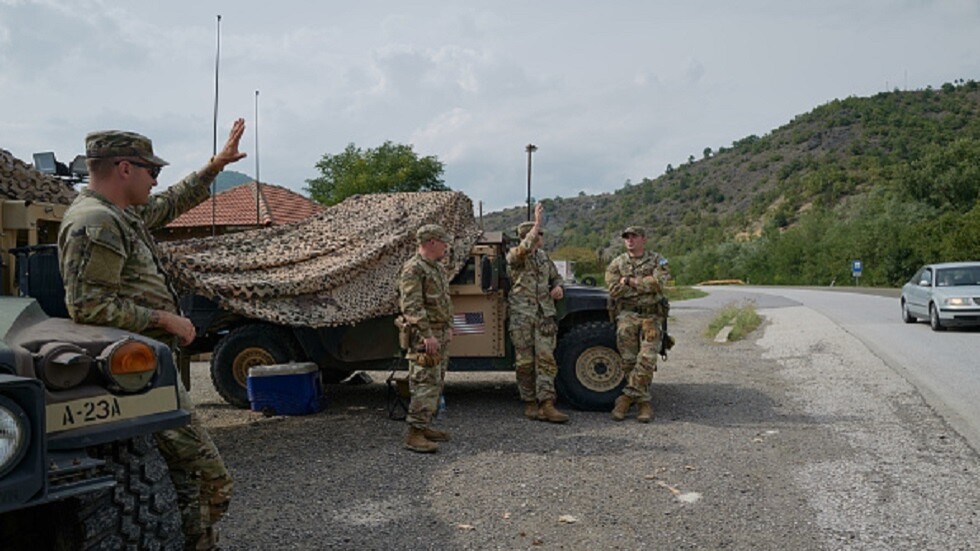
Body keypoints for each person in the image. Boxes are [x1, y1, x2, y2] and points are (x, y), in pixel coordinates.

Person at [58, 119, 247, 550]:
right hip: (133, 374)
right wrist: (165, 320)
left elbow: (168, 205)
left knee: (182, 475)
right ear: (124, 168)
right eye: (150, 170)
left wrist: (215, 166)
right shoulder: (96, 222)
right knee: (208, 476)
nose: (156, 179)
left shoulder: (121, 215)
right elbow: (87, 307)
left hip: (148, 371)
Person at [506, 202, 568, 423]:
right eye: (537, 234)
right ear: (527, 236)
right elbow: (519, 253)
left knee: (546, 359)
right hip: (522, 316)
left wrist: (558, 286)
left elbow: (556, 276)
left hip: (544, 316)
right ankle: (530, 401)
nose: (540, 237)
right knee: (524, 362)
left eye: (540, 233)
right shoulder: (515, 256)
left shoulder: (543, 258)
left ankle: (547, 404)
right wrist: (537, 222)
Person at [397, 224, 454, 453]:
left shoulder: (437, 268)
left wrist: (448, 326)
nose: (446, 247)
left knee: (436, 381)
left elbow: (444, 301)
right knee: (424, 383)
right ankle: (414, 434)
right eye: (443, 242)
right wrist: (427, 335)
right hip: (425, 336)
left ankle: (425, 425)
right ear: (431, 242)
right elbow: (411, 306)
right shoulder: (414, 269)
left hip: (439, 334)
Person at [604, 226, 670, 423]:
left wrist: (630, 282)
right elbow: (614, 289)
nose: (630, 240)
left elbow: (659, 283)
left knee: (648, 358)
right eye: (627, 237)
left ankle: (625, 399)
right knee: (629, 362)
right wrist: (644, 286)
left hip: (651, 317)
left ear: (644, 239)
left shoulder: (658, 260)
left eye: (634, 237)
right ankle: (643, 403)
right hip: (627, 316)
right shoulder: (617, 263)